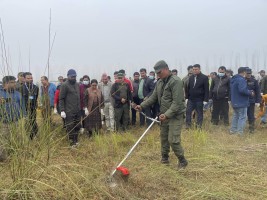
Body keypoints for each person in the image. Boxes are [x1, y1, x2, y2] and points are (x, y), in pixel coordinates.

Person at [135, 60, 188, 169]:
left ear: (166, 69)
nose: (158, 75)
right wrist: (142, 105)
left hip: (175, 116)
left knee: (173, 140)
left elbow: (177, 103)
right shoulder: (159, 82)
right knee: (164, 138)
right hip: (164, 115)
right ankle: (165, 158)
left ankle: (182, 160)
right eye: (157, 73)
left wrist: (167, 114)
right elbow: (153, 97)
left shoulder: (176, 81)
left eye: (159, 72)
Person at [0, 76, 24, 161]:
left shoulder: (18, 94)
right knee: (3, 140)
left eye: (14, 82)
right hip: (3, 122)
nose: (14, 84)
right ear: (6, 83)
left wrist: (24, 117)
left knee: (17, 139)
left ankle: (16, 155)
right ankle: (3, 158)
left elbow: (22, 107)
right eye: (12, 82)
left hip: (16, 121)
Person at [59, 69, 81, 147]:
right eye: (72, 77)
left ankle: (76, 139)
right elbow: (61, 98)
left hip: (78, 110)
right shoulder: (64, 85)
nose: (74, 78)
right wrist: (62, 110)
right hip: (69, 111)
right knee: (70, 127)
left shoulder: (77, 84)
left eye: (75, 76)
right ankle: (72, 142)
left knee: (78, 125)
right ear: (68, 76)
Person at [230, 67, 255, 135]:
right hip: (241, 102)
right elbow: (242, 90)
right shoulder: (241, 80)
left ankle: (233, 131)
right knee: (242, 117)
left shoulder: (233, 79)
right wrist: (250, 92)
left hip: (235, 101)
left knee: (236, 116)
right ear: (244, 72)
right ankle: (239, 133)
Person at [185, 64, 209, 129]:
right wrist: (186, 97)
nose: (194, 71)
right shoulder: (191, 77)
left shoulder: (204, 78)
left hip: (199, 99)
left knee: (199, 113)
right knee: (188, 112)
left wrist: (205, 100)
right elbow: (188, 88)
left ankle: (198, 126)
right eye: (193, 69)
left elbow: (206, 89)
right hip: (191, 99)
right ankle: (188, 125)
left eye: (196, 69)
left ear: (199, 69)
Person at [22, 72, 39, 139]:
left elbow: (36, 97)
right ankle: (27, 136)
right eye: (28, 78)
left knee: (33, 121)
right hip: (25, 109)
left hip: (33, 109)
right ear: (24, 79)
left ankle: (33, 135)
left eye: (31, 78)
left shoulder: (36, 88)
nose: (30, 79)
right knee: (26, 123)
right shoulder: (21, 88)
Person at [245, 68, 261, 133]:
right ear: (244, 73)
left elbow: (257, 91)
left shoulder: (254, 81)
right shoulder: (242, 80)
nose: (248, 74)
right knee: (242, 115)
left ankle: (251, 129)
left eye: (249, 73)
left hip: (251, 101)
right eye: (247, 73)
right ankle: (242, 128)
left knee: (251, 115)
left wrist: (258, 101)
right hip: (243, 101)